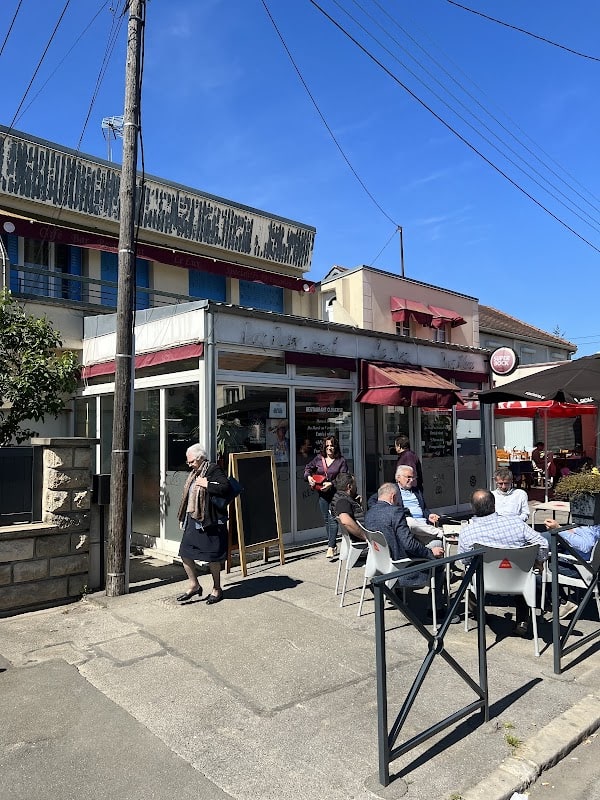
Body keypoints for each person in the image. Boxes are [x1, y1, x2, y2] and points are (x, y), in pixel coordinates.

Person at [457, 489, 548, 637]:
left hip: (485, 580)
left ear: (472, 508)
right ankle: (522, 621)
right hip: (518, 580)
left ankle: (479, 614)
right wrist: (539, 561)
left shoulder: (467, 532)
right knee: (521, 569)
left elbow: (464, 560)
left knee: (465, 574)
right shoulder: (516, 523)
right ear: (494, 505)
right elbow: (542, 543)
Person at [365, 482, 458, 622]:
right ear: (393, 496)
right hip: (401, 567)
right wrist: (430, 552)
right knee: (440, 563)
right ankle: (436, 610)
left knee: (432, 548)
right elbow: (409, 545)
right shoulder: (396, 513)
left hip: (381, 565)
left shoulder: (369, 513)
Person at [177, 443, 230, 605]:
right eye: (188, 462)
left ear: (200, 458)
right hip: (194, 520)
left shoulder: (213, 469)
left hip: (210, 521)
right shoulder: (195, 473)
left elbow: (225, 488)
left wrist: (206, 484)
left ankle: (217, 588)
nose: (189, 465)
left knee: (212, 557)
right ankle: (194, 585)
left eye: (191, 461)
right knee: (185, 552)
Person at [304, 435, 348, 559]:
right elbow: (308, 468)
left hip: (335, 493)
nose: (330, 448)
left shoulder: (341, 461)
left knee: (332, 518)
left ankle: (330, 546)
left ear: (336, 447)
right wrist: (309, 478)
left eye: (332, 446)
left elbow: (343, 478)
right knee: (326, 519)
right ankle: (333, 545)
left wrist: (332, 484)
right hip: (322, 493)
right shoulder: (319, 459)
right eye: (327, 446)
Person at [393, 464, 443, 548]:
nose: (411, 480)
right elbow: (373, 501)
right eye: (408, 477)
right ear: (398, 478)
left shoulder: (416, 491)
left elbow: (424, 509)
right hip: (408, 527)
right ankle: (440, 532)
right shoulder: (392, 490)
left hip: (422, 525)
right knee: (410, 521)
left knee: (437, 543)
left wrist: (429, 515)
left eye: (413, 477)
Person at [330, 473, 365, 541]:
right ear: (349, 487)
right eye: (354, 484)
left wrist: (356, 503)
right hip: (359, 539)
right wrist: (364, 536)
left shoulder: (339, 497)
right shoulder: (343, 502)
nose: (356, 486)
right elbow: (346, 521)